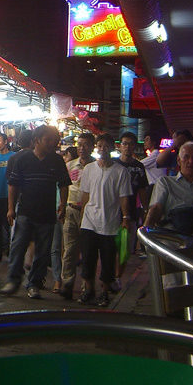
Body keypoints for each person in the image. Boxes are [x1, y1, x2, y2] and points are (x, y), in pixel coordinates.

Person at [0, 124, 69, 299]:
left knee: (43, 252)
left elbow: (64, 184)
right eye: (48, 140)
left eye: (54, 140)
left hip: (46, 214)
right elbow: (13, 185)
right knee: (17, 247)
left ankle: (34, 284)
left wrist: (63, 205)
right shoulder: (22, 159)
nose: (52, 143)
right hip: (25, 212)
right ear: (36, 140)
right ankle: (13, 281)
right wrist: (10, 209)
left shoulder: (57, 161)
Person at [77, 133, 133, 306]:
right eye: (99, 146)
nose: (102, 149)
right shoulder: (89, 169)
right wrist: (81, 217)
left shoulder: (121, 172)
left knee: (108, 259)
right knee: (88, 258)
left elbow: (124, 197)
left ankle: (105, 292)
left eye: (105, 146)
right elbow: (85, 194)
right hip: (89, 221)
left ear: (112, 147)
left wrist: (125, 217)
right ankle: (89, 290)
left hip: (110, 222)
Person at [143, 141, 193, 237]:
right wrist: (145, 233)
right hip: (172, 235)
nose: (191, 161)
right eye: (186, 157)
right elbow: (156, 208)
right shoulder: (165, 182)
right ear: (178, 160)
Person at [59, 133, 93, 298]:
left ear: (92, 147)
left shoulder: (96, 166)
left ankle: (87, 287)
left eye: (85, 145)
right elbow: (63, 187)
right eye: (79, 144)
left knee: (88, 251)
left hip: (90, 213)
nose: (82, 148)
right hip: (71, 210)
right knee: (69, 250)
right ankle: (67, 283)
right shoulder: (70, 165)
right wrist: (61, 206)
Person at [116, 131, 150, 267]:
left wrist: (146, 210)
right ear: (119, 146)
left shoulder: (138, 167)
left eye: (130, 144)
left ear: (134, 146)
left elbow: (142, 190)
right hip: (112, 211)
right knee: (111, 246)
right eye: (124, 144)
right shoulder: (113, 164)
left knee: (125, 248)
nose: (127, 147)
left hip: (130, 212)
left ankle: (118, 277)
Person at [0, 133, 16, 260]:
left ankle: (12, 252)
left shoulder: (14, 157)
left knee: (10, 226)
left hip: (10, 197)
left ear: (6, 142)